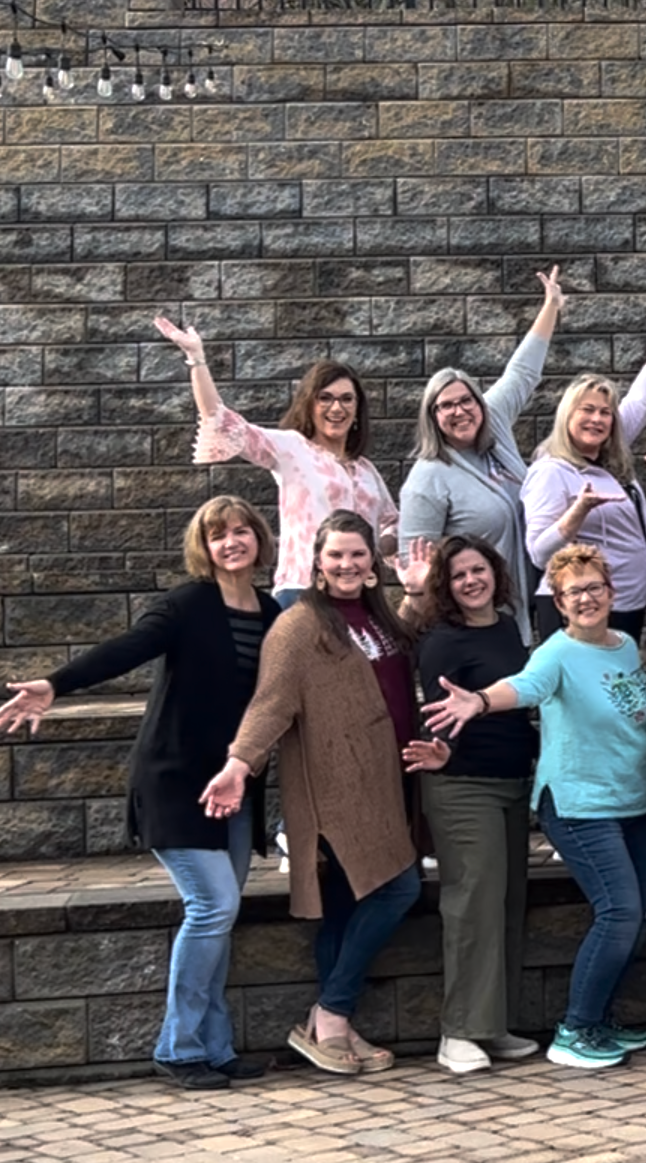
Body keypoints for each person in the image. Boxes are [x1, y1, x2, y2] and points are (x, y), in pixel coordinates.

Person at [1, 497, 282, 1089]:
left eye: (240, 532)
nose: (231, 542)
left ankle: (214, 1044)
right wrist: (56, 684)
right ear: (203, 548)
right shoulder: (187, 604)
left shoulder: (269, 610)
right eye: (218, 536)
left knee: (219, 916)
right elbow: (127, 648)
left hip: (233, 782)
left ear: (258, 539)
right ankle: (178, 1049)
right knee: (213, 908)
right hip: (175, 780)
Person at [423, 542, 646, 1070]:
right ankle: (574, 1030)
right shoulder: (555, 652)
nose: (586, 598)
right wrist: (480, 701)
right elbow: (524, 687)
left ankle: (597, 1018)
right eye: (573, 592)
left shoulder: (626, 645)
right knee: (619, 911)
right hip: (578, 804)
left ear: (611, 590)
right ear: (558, 600)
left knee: (643, 912)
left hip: (632, 803)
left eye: (594, 587)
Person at [205, 511, 426, 1075]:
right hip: (338, 787)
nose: (348, 565)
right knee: (398, 888)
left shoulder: (377, 617)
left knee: (348, 904)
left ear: (371, 563)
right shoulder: (298, 626)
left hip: (390, 779)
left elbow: (397, 658)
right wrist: (239, 763)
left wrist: (418, 597)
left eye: (358, 555)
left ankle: (328, 1028)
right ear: (318, 563)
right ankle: (331, 1011)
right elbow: (271, 703)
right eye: (337, 556)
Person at [405, 535, 542, 1074]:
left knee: (507, 902)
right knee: (472, 904)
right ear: (446, 584)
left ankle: (493, 1023)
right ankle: (457, 1030)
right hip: (463, 785)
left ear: (495, 572)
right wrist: (445, 753)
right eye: (459, 574)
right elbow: (437, 713)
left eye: (478, 569)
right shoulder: (442, 639)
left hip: (511, 781)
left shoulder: (508, 627)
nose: (470, 581)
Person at [155, 318, 397, 604]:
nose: (337, 407)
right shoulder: (292, 448)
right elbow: (222, 420)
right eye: (326, 398)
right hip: (305, 592)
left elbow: (393, 524)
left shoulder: (366, 470)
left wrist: (372, 548)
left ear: (357, 410)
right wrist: (196, 359)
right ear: (309, 405)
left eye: (347, 399)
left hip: (361, 596)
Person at [398, 267, 566, 641]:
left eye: (466, 401)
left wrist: (551, 305)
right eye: (446, 406)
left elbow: (522, 372)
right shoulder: (427, 479)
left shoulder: (496, 424)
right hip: (472, 623)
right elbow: (417, 565)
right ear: (433, 417)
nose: (459, 411)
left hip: (525, 609)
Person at [520, 310, 646, 640]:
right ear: (567, 415)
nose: (596, 419)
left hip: (626, 603)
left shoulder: (607, 455)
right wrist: (577, 512)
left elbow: (641, 402)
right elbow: (539, 553)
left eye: (604, 412)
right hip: (581, 606)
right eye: (586, 410)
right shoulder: (551, 470)